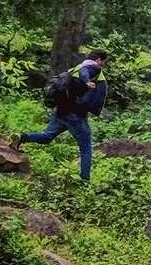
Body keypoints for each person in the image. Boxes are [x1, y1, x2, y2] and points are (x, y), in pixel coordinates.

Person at [17, 49, 107, 182]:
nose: (104, 64)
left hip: (61, 111)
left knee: (47, 136)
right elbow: (85, 73)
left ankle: (22, 137)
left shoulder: (75, 68)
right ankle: (85, 181)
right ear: (99, 59)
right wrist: (87, 81)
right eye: (104, 61)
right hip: (75, 115)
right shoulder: (92, 68)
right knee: (86, 148)